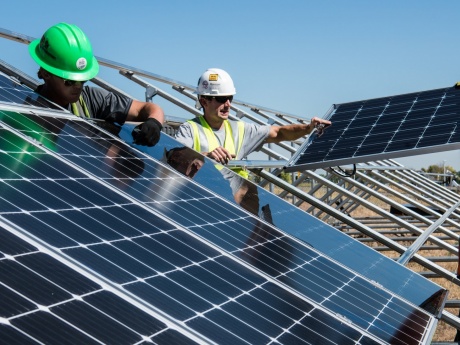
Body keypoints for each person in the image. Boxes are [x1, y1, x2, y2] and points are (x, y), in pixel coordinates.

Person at [28, 22, 164, 147]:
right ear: (46, 74)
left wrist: (154, 123)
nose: (78, 86)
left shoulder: (92, 98)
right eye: (70, 81)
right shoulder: (26, 111)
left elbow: (147, 108)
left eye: (83, 80)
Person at [174, 68, 331, 174]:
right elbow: (175, 161)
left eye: (230, 98)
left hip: (234, 205)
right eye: (221, 99)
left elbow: (279, 132)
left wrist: (308, 127)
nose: (228, 104)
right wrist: (206, 156)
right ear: (204, 101)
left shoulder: (241, 130)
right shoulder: (189, 129)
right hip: (201, 205)